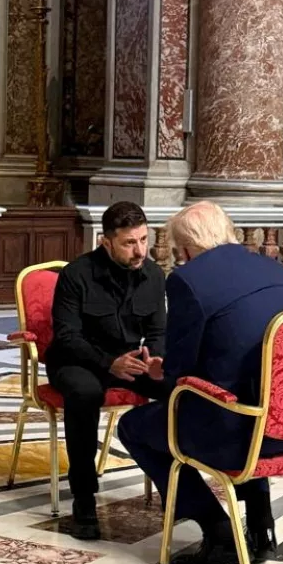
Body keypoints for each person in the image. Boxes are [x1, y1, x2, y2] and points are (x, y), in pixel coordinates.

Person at [118, 201, 283, 564]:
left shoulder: (188, 280)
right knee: (254, 394)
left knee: (135, 427)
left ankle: (218, 530)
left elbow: (181, 373)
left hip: (240, 439)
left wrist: (160, 371)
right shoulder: (274, 268)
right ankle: (261, 529)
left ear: (185, 249)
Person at [46, 202, 166, 540]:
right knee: (85, 394)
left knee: (178, 388)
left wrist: (155, 360)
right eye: (130, 243)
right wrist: (107, 362)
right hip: (77, 361)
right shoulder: (76, 274)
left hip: (129, 361)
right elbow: (67, 336)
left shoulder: (154, 275)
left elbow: (158, 331)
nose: (139, 250)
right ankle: (83, 497)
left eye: (144, 239)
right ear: (106, 242)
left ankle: (176, 487)